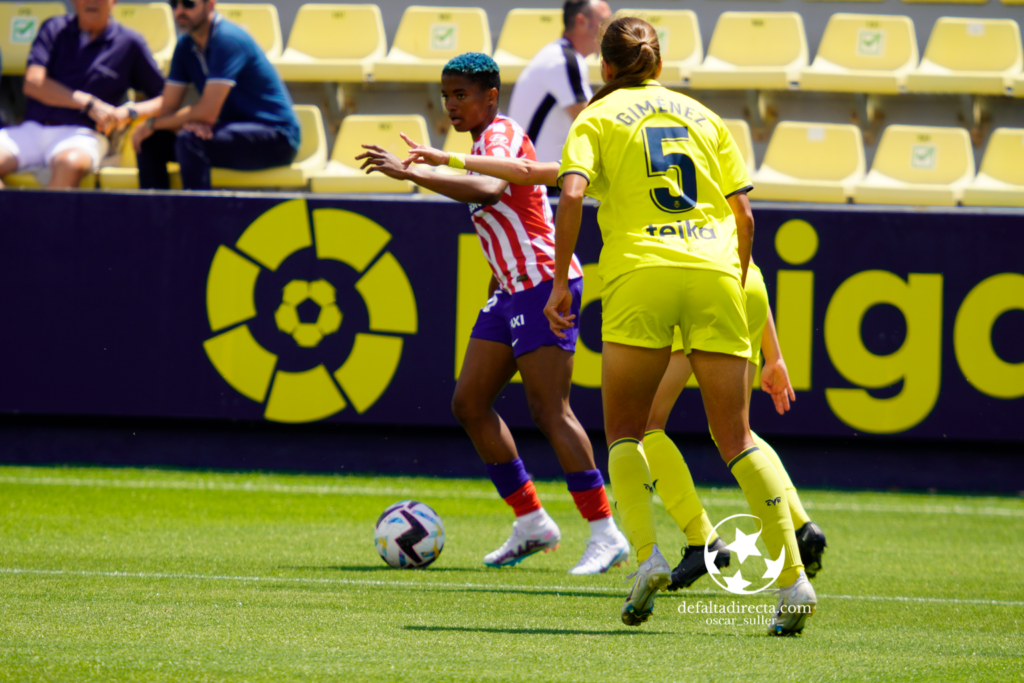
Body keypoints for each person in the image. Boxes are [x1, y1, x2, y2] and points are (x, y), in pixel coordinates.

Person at [401, 140, 829, 590]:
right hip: (739, 282)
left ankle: (701, 540)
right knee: (738, 432)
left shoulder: (618, 155)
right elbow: (742, 225)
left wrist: (446, 158)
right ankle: (798, 525)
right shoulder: (696, 138)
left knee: (644, 429)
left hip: (677, 278)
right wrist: (773, 352)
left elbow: (529, 172)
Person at [543, 17, 817, 633]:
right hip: (717, 274)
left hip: (642, 275)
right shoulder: (703, 116)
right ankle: (794, 580)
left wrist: (561, 280)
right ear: (659, 65)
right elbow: (743, 215)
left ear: (606, 69)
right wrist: (731, 275)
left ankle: (647, 558)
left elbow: (568, 195)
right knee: (738, 439)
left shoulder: (595, 116)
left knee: (625, 431)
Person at [356, 53, 629, 576]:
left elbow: (490, 189)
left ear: (490, 98)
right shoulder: (480, 146)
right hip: (509, 290)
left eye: (461, 94)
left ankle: (605, 533)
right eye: (446, 95)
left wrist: (414, 172)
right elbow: (500, 223)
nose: (452, 105)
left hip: (543, 283)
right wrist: (494, 289)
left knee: (551, 410)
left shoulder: (499, 134)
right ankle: (531, 522)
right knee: (469, 402)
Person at [132, 0, 299, 190]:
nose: (180, 11)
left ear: (210, 5)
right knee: (149, 141)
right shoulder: (185, 45)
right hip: (229, 130)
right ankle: (156, 218)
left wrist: (153, 123)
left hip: (277, 137)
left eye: (188, 3)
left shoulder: (228, 39)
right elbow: (168, 106)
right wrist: (134, 115)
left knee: (190, 141)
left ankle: (199, 218)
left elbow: (207, 112)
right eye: (174, 4)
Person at [0, 0, 165, 189]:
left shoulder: (130, 42)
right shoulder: (53, 28)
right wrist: (88, 102)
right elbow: (33, 83)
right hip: (31, 130)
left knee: (69, 163)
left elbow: (166, 97)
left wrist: (129, 112)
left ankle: (47, 219)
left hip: (83, 135)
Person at [508, 0, 611, 165]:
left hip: (536, 177)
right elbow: (591, 123)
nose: (610, 30)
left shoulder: (558, 55)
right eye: (605, 21)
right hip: (539, 183)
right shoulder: (564, 60)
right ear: (581, 22)